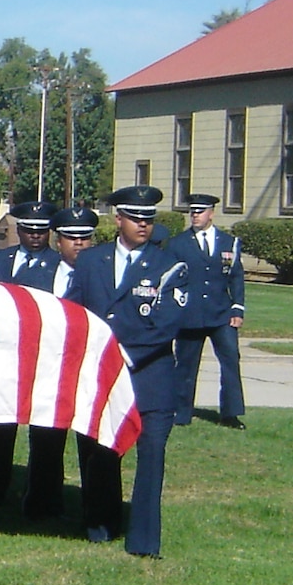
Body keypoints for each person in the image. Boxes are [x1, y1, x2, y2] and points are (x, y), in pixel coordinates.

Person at [64, 185, 191, 557]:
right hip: (102, 379)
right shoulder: (91, 261)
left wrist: (118, 351)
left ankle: (144, 540)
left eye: (149, 218)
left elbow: (167, 323)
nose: (143, 225)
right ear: (117, 219)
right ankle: (100, 523)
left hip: (149, 378)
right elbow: (76, 314)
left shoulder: (169, 265)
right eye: (135, 218)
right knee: (99, 453)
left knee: (151, 458)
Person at [0, 201, 62, 507]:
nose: (36, 236)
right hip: (5, 355)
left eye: (42, 231)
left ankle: (42, 495)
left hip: (44, 356)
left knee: (46, 430)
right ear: (18, 230)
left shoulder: (59, 265)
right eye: (28, 230)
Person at [47, 204, 120, 528]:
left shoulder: (103, 272)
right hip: (48, 369)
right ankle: (42, 504)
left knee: (94, 441)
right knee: (45, 440)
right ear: (57, 240)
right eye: (71, 238)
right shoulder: (39, 269)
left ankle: (97, 513)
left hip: (89, 370)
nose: (79, 244)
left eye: (85, 238)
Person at [170, 193, 247, 430]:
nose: (195, 215)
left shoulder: (228, 242)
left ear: (211, 213)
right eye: (192, 211)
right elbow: (172, 279)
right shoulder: (177, 243)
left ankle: (231, 413)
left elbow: (236, 277)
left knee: (231, 360)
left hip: (221, 313)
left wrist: (238, 308)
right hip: (190, 314)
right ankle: (181, 413)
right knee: (185, 365)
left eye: (200, 211)